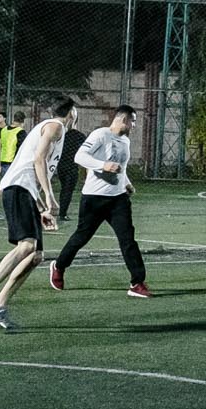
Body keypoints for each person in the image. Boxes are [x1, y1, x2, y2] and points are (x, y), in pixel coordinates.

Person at [0, 97, 74, 332]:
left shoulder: (54, 129)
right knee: (26, 246)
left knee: (35, 256)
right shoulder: (56, 126)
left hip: (26, 191)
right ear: (71, 113)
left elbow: (33, 167)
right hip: (17, 188)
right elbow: (38, 160)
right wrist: (49, 197)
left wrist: (40, 208)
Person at [49, 105, 149, 298]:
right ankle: (59, 266)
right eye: (133, 121)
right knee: (81, 237)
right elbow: (80, 157)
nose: (134, 125)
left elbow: (121, 168)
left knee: (128, 240)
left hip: (118, 200)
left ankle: (137, 283)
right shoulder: (100, 135)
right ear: (124, 119)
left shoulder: (125, 141)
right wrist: (103, 165)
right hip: (94, 198)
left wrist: (126, 183)